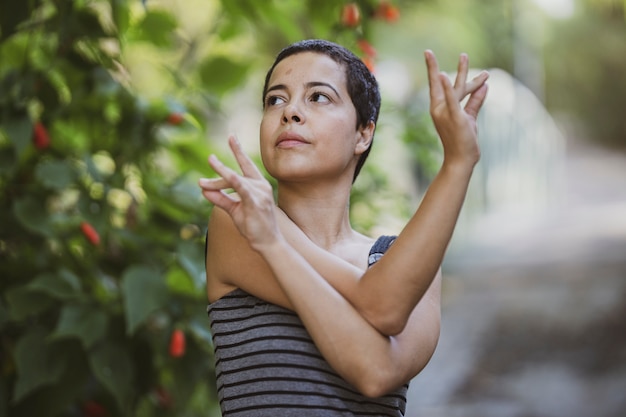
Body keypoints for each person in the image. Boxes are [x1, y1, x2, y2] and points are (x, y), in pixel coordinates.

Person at [198, 39, 488, 416]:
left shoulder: (407, 265)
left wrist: (459, 162)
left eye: (318, 97)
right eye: (276, 100)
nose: (291, 113)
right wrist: (455, 166)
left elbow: (378, 370)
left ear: (363, 134)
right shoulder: (240, 220)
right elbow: (380, 306)